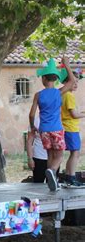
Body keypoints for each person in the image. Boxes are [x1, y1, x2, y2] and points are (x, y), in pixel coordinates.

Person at [29, 57, 74, 191]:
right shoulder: (58, 92)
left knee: (50, 155)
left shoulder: (38, 95)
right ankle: (52, 172)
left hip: (44, 130)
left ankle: (50, 182)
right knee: (59, 156)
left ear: (43, 79)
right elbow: (72, 81)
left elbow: (31, 114)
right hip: (57, 129)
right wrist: (66, 65)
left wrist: (32, 127)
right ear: (55, 79)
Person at [60, 69, 84, 188]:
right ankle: (71, 177)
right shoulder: (69, 96)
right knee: (75, 153)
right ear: (66, 82)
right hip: (70, 128)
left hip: (68, 127)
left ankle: (69, 177)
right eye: (73, 82)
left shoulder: (64, 94)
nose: (76, 84)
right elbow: (74, 114)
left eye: (77, 82)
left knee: (74, 153)